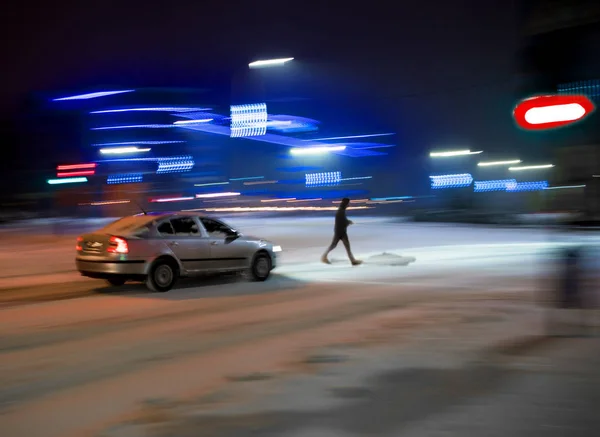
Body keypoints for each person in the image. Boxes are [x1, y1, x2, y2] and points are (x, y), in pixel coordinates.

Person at [321, 197, 362, 265]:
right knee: (340, 245)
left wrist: (348, 222)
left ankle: (352, 260)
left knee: (337, 245)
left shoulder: (341, 210)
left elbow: (342, 221)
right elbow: (342, 222)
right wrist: (348, 222)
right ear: (345, 204)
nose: (349, 205)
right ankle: (324, 257)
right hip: (340, 232)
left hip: (339, 231)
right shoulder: (341, 211)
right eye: (348, 204)